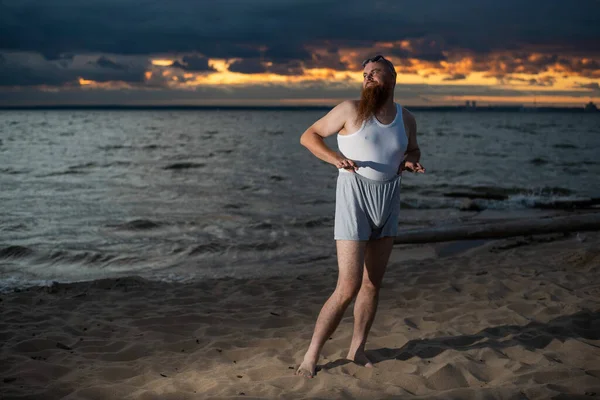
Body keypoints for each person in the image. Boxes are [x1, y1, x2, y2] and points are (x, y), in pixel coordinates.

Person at [296, 55, 425, 378]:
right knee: (348, 286)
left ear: (393, 78)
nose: (367, 78)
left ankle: (357, 349)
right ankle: (311, 355)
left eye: (375, 73)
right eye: (365, 74)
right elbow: (309, 136)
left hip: (389, 199)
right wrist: (334, 158)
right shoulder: (349, 109)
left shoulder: (405, 117)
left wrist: (409, 162)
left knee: (372, 284)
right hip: (354, 196)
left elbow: (413, 149)